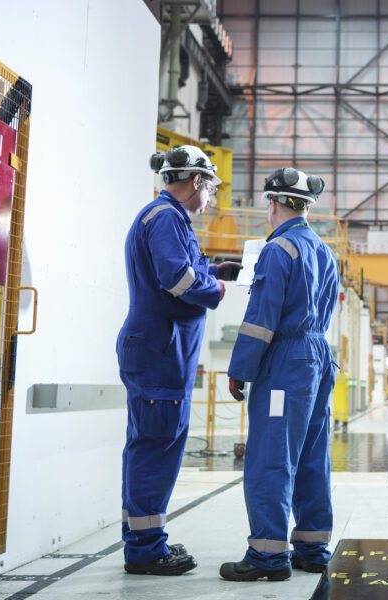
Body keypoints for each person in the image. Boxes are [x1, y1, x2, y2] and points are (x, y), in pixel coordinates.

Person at [117, 145, 241, 576]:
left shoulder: (165, 217)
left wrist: (218, 269)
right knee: (156, 449)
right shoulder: (168, 217)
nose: (210, 198)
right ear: (195, 182)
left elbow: (187, 267)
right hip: (160, 352)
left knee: (148, 446)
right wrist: (217, 291)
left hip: (159, 351)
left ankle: (143, 541)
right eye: (209, 187)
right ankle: (147, 550)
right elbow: (179, 279)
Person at [220, 167, 339, 582]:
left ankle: (268, 556)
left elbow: (260, 320)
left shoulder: (278, 250)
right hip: (318, 357)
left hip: (286, 363)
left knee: (272, 456)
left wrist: (239, 370)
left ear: (272, 204)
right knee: (311, 454)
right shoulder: (325, 250)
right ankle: (312, 547)